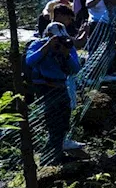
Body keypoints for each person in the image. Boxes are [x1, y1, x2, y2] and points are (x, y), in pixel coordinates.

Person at [26, 22, 82, 163]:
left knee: (63, 121)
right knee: (52, 122)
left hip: (61, 86)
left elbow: (76, 69)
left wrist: (66, 54)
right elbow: (29, 61)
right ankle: (50, 157)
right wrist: (47, 47)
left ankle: (56, 154)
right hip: (44, 87)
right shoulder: (38, 44)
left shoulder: (68, 46)